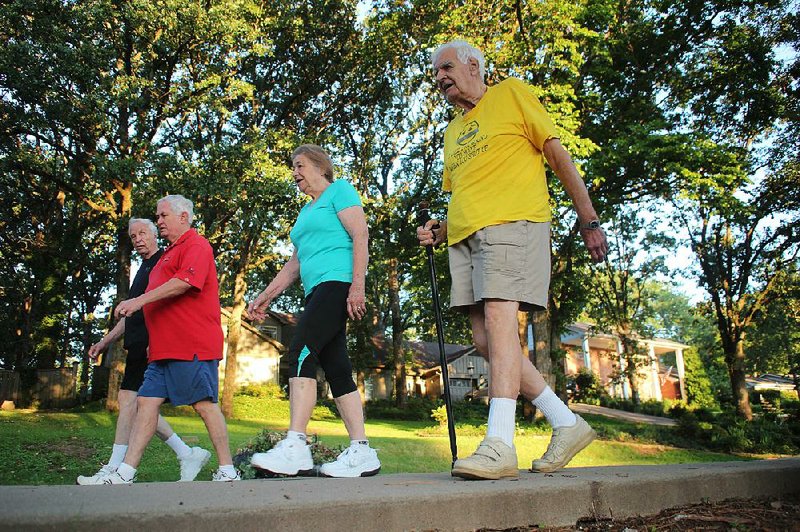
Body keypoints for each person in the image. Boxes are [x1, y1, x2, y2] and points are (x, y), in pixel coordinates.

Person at [417, 40, 609, 480]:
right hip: (463, 239)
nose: (440, 77)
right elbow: (462, 194)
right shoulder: (452, 132)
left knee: (503, 327)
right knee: (487, 343)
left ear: (472, 65)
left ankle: (499, 444)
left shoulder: (512, 94)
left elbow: (558, 156)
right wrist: (439, 230)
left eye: (445, 67)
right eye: (435, 73)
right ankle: (566, 422)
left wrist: (588, 220)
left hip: (512, 224)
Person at [247, 144, 380, 478]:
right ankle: (362, 451)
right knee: (336, 368)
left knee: (301, 352)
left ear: (321, 166)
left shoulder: (340, 190)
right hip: (316, 289)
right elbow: (296, 262)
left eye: (300, 165)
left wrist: (357, 286)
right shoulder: (306, 213)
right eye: (293, 167)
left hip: (338, 283)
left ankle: (296, 445)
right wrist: (266, 296)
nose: (295, 173)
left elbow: (360, 234)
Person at [101, 195, 239, 484]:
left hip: (191, 345)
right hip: (162, 350)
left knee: (204, 405)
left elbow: (184, 283)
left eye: (163, 216)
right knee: (145, 404)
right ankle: (125, 473)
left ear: (183, 217)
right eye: (158, 216)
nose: (159, 221)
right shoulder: (166, 254)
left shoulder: (197, 246)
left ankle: (227, 470)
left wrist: (138, 301)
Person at [77, 218, 211, 484]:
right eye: (132, 236)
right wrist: (105, 341)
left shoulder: (164, 262)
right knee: (141, 406)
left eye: (142, 233)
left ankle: (115, 469)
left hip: (154, 344)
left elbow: (173, 301)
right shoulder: (143, 268)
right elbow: (131, 315)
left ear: (154, 235)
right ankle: (187, 453)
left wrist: (160, 338)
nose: (138, 239)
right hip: (137, 344)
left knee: (130, 401)